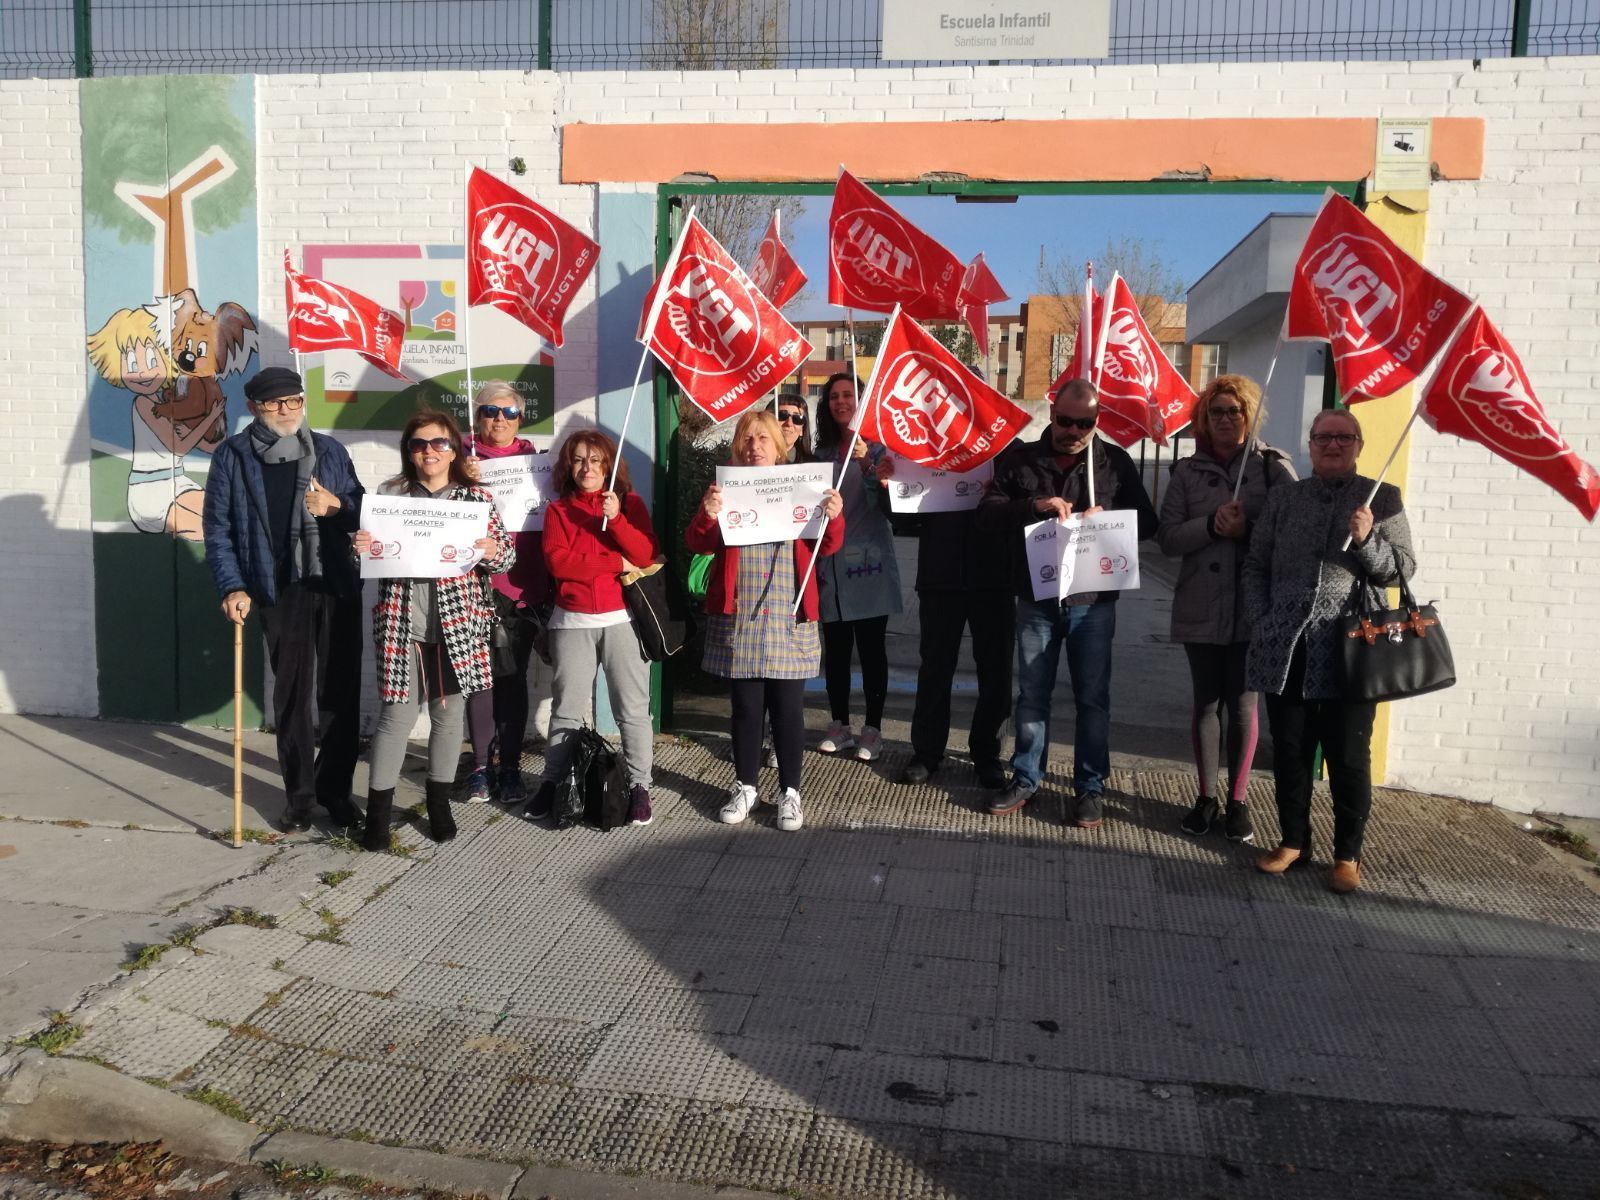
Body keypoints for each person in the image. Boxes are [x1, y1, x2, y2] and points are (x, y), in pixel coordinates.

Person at [1243, 408, 1414, 894]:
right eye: (1323, 438)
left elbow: (1400, 571)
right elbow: (1256, 564)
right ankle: (1293, 841)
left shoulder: (1384, 499)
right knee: (1292, 749)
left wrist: (1365, 540)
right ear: (1311, 445)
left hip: (1353, 649)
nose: (1333, 445)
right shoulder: (1285, 498)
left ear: (1359, 446)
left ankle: (1347, 854)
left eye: (1344, 438)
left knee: (1348, 755)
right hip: (1289, 646)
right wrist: (1263, 619)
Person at [977, 378, 1158, 827]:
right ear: (1052, 411)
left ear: (1097, 422)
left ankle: (1090, 786)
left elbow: (1149, 524)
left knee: (1092, 698)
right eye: (1065, 420)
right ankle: (1026, 777)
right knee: (1033, 694)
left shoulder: (1113, 463)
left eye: (1085, 423)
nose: (1073, 430)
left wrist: (1109, 522)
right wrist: (1034, 506)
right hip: (1037, 597)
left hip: (1093, 602)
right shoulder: (1021, 460)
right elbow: (986, 515)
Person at [203, 366, 364, 833]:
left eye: (294, 401)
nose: (287, 411)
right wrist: (232, 585)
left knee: (339, 693)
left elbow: (359, 509)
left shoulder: (329, 450)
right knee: (291, 695)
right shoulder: (233, 457)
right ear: (254, 408)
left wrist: (336, 508)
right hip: (277, 588)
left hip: (334, 583)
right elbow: (218, 528)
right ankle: (299, 798)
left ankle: (335, 791)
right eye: (275, 404)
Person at [353, 410, 514, 848]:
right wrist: (360, 547)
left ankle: (439, 803)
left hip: (457, 625)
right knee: (395, 718)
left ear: (454, 450)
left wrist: (491, 550)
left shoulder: (476, 502)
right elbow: (365, 561)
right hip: (402, 624)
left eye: (439, 443)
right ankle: (379, 816)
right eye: (419, 443)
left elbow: (505, 561)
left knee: (447, 717)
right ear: (409, 451)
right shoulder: (390, 497)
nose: (429, 451)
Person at [686, 409, 844, 832]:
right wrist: (708, 512)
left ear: (779, 445)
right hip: (742, 609)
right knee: (745, 707)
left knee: (789, 708)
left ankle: (790, 792)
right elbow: (697, 541)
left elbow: (827, 546)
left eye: (763, 438)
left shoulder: (804, 486)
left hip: (787, 609)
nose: (754, 446)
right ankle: (746, 785)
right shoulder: (725, 488)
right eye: (747, 439)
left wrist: (834, 512)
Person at [1157, 375, 1296, 844]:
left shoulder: (1273, 468)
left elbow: (1294, 536)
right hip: (1200, 604)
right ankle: (1205, 797)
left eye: (1235, 411)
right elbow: (1168, 537)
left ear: (1250, 415)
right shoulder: (1186, 472)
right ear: (1203, 418)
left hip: (1253, 610)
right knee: (1205, 704)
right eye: (1216, 412)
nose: (1224, 420)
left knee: (1242, 706)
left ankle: (1237, 801)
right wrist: (1212, 526)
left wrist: (1248, 529)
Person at [527, 430, 660, 827]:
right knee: (566, 710)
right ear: (570, 466)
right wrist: (614, 563)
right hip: (572, 620)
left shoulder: (629, 504)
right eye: (580, 460)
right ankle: (553, 783)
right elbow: (559, 564)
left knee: (632, 710)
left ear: (609, 466)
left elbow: (645, 554)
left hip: (622, 620)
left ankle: (639, 786)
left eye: (596, 460)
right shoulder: (558, 512)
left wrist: (616, 520)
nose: (587, 468)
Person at [879, 459, 1014, 789]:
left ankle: (987, 754)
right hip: (941, 576)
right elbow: (903, 518)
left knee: (996, 671)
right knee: (935, 668)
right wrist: (888, 489)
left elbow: (1025, 508)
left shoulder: (1012, 450)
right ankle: (926, 752)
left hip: (994, 579)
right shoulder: (928, 451)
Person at [462, 381, 554, 806]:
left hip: (524, 589)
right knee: (480, 684)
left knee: (513, 683)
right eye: (490, 412)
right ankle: (482, 765)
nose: (499, 420)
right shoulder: (459, 459)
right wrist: (461, 479)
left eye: (508, 413)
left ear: (520, 418)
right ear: (477, 417)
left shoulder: (538, 463)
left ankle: (511, 767)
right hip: (474, 589)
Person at [813, 372, 902, 761]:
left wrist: (870, 467)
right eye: (834, 396)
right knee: (835, 651)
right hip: (830, 564)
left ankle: (873, 729)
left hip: (869, 565)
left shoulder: (882, 452)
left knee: (871, 651)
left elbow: (891, 509)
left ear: (863, 401)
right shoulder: (820, 454)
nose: (841, 402)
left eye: (849, 394)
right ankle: (839, 724)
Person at [776, 391, 814, 464]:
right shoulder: (751, 462)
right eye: (782, 415)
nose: (789, 423)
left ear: (802, 429)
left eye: (797, 418)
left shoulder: (814, 465)